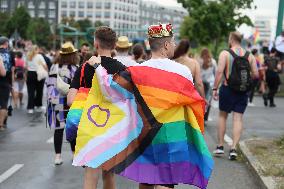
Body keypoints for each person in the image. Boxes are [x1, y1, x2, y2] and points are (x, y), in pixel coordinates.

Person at [68, 26, 124, 189]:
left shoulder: (85, 67)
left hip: (89, 126)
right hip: (113, 128)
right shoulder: (121, 68)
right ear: (114, 46)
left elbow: (71, 100)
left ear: (96, 44)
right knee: (109, 174)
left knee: (91, 176)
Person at [212, 31, 258, 160]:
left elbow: (220, 71)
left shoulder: (225, 53)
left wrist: (215, 88)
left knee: (222, 116)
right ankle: (233, 149)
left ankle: (220, 146)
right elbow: (256, 74)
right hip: (242, 91)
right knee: (238, 119)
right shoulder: (250, 56)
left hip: (227, 89)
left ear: (231, 39)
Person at [46, 42, 79, 165]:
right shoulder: (75, 68)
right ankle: (74, 154)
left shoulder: (54, 67)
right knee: (72, 128)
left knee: (58, 129)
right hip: (71, 102)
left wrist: (50, 101)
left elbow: (49, 84)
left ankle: (58, 156)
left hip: (56, 101)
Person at [26, 45, 48, 114]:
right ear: (36, 49)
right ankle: (38, 105)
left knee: (31, 91)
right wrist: (47, 71)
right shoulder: (39, 56)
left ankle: (30, 108)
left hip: (30, 74)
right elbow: (45, 65)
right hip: (39, 74)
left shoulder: (28, 56)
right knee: (39, 90)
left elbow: (26, 66)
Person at [0, 36, 15, 131]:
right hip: (6, 81)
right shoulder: (10, 54)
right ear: (6, 43)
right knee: (4, 103)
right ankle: (1, 124)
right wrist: (12, 83)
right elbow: (12, 70)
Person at [199, 48, 217, 121]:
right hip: (210, 83)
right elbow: (216, 73)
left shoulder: (200, 61)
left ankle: (200, 116)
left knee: (201, 100)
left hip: (202, 83)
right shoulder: (213, 62)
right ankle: (205, 117)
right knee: (208, 101)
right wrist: (216, 86)